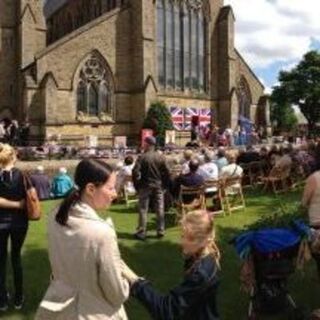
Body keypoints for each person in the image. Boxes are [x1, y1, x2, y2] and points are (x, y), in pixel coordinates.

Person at [35, 159, 130, 320]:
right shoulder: (101, 232)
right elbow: (116, 293)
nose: (115, 193)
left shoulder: (54, 216)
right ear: (91, 189)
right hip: (93, 312)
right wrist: (129, 282)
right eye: (111, 188)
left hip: (57, 307)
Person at [122, 210, 220, 320]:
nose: (183, 241)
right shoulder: (202, 255)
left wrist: (134, 280)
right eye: (183, 235)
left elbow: (166, 311)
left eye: (191, 238)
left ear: (206, 240)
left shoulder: (200, 273)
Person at [0, 144, 29, 311]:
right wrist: (18, 204)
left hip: (3, 222)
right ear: (14, 157)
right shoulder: (24, 175)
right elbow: (31, 198)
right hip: (19, 223)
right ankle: (18, 297)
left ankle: (2, 300)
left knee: (1, 260)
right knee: (16, 258)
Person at [132, 136, 171, 240]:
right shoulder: (161, 157)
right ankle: (160, 230)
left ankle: (141, 232)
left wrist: (137, 185)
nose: (143, 145)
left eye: (144, 143)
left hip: (145, 185)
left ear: (148, 144)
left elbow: (135, 171)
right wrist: (165, 184)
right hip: (158, 185)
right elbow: (167, 172)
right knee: (160, 208)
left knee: (143, 209)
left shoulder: (142, 157)